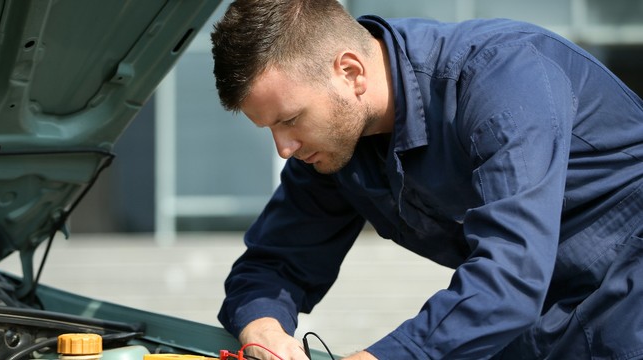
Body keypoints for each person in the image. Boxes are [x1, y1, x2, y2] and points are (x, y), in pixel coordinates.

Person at [209, 0, 643, 359]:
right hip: (533, 333)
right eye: (269, 129)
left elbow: (511, 276)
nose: (284, 148)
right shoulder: (333, 144)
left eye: (290, 120)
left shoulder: (503, 79)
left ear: (351, 73)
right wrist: (261, 326)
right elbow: (277, 261)